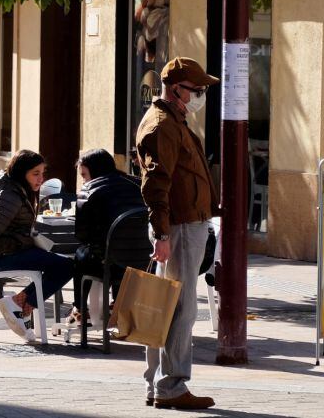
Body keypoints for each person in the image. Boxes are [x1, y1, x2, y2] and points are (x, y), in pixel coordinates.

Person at [137, 57, 219, 411]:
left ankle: (160, 385)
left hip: (184, 224)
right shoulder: (163, 126)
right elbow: (156, 185)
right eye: (196, 90)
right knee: (180, 308)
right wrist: (163, 233)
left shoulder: (174, 120)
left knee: (166, 305)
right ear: (176, 90)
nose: (200, 95)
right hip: (180, 227)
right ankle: (170, 386)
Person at [0, 149, 74, 343]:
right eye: (35, 174)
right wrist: (23, 242)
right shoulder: (10, 196)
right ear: (22, 173)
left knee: (61, 263)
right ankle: (19, 304)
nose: (41, 179)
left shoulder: (15, 188)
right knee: (67, 266)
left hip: (1, 253)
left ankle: (21, 305)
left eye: (42, 173)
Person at [69, 148, 144, 324]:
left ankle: (79, 309)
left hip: (107, 263)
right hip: (142, 261)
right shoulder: (139, 184)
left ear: (94, 171)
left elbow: (82, 235)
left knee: (81, 255)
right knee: (115, 252)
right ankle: (117, 304)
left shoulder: (88, 191)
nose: (83, 180)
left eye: (84, 174)